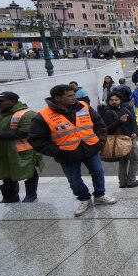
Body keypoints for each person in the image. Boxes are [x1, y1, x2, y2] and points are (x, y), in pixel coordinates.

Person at [27, 84, 117, 217]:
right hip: (67, 154)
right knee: (74, 180)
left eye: (73, 95)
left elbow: (99, 123)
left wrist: (100, 140)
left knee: (98, 172)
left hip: (90, 147)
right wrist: (56, 151)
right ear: (57, 98)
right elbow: (35, 139)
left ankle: (100, 195)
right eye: (69, 96)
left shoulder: (83, 106)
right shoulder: (43, 116)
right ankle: (84, 199)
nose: (73, 98)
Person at [0, 91, 43, 203]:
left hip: (23, 150)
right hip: (2, 151)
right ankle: (11, 197)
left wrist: (0, 134)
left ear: (13, 101)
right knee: (6, 173)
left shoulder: (26, 114)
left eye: (1, 101)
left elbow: (25, 132)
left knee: (28, 172)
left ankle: (31, 195)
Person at [102, 93, 138, 188]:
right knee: (135, 160)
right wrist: (119, 121)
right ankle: (131, 180)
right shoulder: (108, 112)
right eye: (111, 100)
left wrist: (134, 132)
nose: (114, 101)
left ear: (120, 100)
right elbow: (107, 130)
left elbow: (133, 121)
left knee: (124, 161)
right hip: (120, 141)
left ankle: (123, 182)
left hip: (130, 138)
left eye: (116, 99)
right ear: (108, 101)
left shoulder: (125, 109)